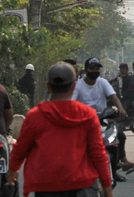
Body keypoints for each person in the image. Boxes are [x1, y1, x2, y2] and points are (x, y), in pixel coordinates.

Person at [7, 62, 113, 197]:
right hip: (82, 186)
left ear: (48, 87)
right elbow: (98, 154)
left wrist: (13, 170)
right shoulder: (88, 115)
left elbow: (20, 149)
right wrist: (107, 188)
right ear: (74, 86)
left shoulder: (35, 116)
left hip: (47, 186)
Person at [72, 57, 134, 181]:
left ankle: (114, 167)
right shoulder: (78, 85)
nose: (95, 71)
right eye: (92, 69)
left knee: (119, 136)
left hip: (102, 120)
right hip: (84, 122)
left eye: (97, 69)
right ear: (85, 70)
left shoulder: (102, 82)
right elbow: (71, 102)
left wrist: (120, 108)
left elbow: (113, 96)